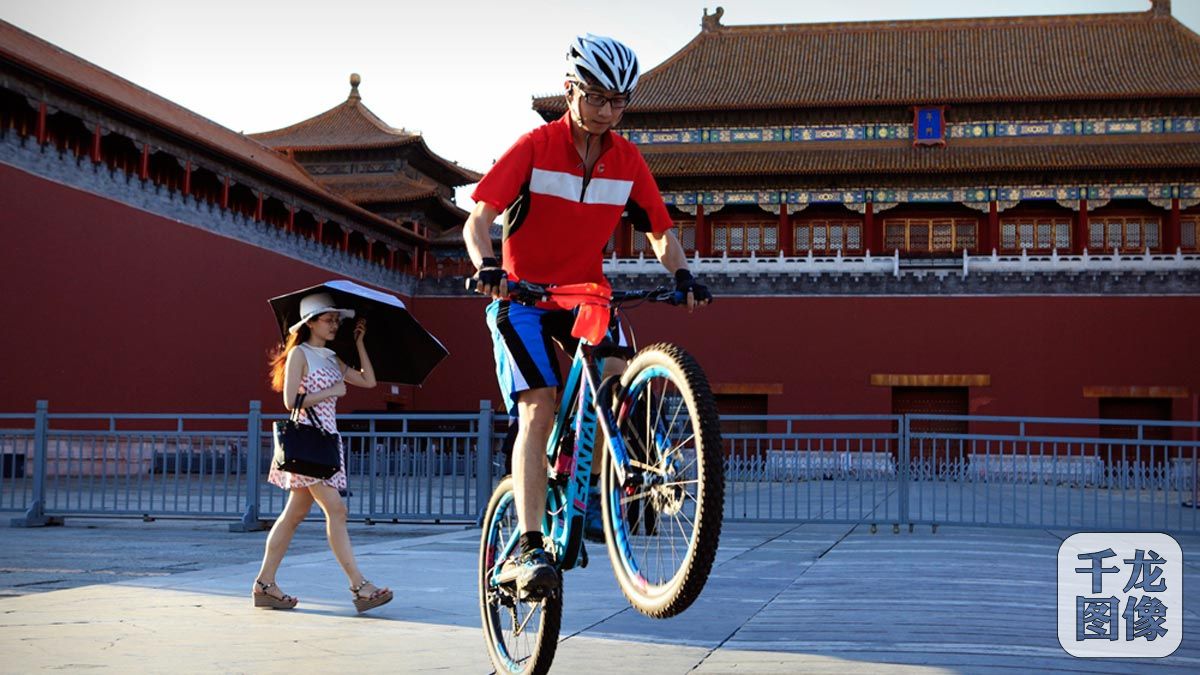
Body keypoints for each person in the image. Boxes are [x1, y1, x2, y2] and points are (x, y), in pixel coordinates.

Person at [464, 34, 711, 598]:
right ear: (570, 89)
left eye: (618, 101)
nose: (606, 111)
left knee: (616, 383)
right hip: (522, 296)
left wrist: (682, 275)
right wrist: (486, 266)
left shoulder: (627, 161)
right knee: (539, 406)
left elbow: (660, 231)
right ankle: (529, 545)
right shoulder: (535, 146)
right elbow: (478, 219)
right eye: (596, 97)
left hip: (585, 296)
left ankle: (597, 491)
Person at [253, 291, 393, 613]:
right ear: (310, 322)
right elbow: (290, 401)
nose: (334, 325)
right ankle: (359, 586)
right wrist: (332, 390)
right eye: (328, 320)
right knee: (337, 510)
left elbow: (369, 381)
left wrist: (359, 343)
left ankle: (264, 584)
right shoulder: (299, 354)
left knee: (293, 516)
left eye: (336, 321)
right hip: (309, 442)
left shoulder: (332, 358)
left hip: (325, 443)